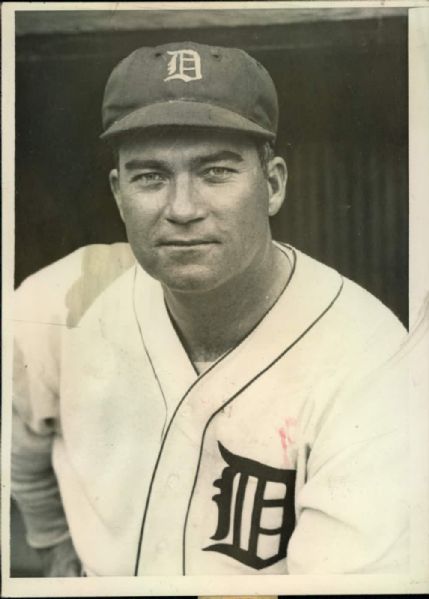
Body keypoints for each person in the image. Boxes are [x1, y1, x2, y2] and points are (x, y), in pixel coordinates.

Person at [12, 41, 409, 577]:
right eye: (150, 176)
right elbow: (20, 460)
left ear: (272, 185)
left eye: (216, 172)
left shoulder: (370, 357)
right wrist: (58, 556)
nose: (182, 209)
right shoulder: (59, 302)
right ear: (117, 193)